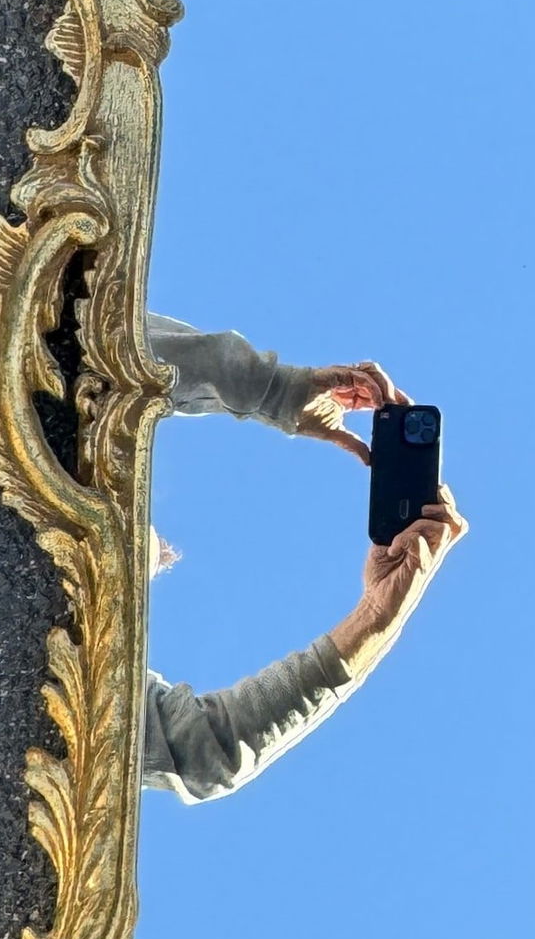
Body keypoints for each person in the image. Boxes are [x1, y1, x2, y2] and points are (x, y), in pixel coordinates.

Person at [140, 314, 465, 805]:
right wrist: (272, 389)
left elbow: (202, 752)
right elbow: (92, 337)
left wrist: (373, 619)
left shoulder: (77, 664)